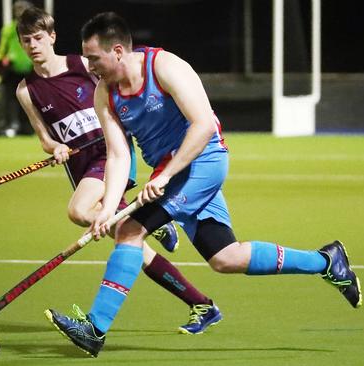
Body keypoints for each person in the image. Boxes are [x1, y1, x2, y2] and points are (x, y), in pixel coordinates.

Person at [44, 12, 363, 358]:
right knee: (225, 258)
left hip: (202, 162)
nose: (89, 66)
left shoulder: (164, 67)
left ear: (117, 51)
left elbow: (203, 125)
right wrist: (106, 209)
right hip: (171, 171)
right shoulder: (104, 95)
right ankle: (327, 262)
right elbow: (119, 156)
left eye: (94, 58)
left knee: (130, 231)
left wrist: (165, 177)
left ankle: (95, 328)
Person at [14, 7, 223, 338]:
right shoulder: (27, 90)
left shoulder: (82, 64)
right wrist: (55, 148)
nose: (33, 45)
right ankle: (201, 302)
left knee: (86, 213)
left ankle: (95, 328)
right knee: (156, 245)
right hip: (87, 163)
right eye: (26, 41)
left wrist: (121, 200)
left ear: (52, 37)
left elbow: (120, 137)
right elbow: (46, 138)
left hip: (109, 156)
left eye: (38, 38)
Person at [0, 0, 34, 137]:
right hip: (11, 68)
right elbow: (2, 48)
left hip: (30, 68)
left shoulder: (34, 29)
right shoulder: (9, 29)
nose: (20, 12)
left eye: (22, 9)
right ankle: (3, 127)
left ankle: (26, 128)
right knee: (7, 99)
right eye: (18, 9)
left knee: (29, 100)